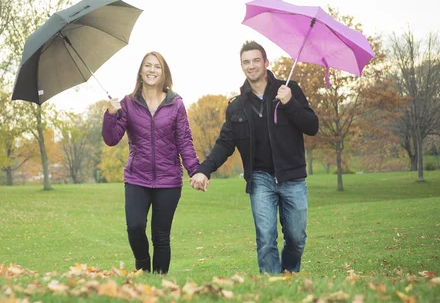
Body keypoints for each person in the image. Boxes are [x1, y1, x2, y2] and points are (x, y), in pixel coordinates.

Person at [190, 41, 319, 274]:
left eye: (256, 60)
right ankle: (272, 289)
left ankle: (289, 276)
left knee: (297, 238)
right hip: (260, 179)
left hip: (292, 177)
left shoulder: (290, 90)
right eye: (246, 62)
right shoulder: (236, 107)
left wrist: (290, 104)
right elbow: (225, 143)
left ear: (266, 62)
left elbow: (312, 126)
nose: (251, 66)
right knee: (266, 239)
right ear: (242, 66)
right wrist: (204, 169)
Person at [102, 51, 200, 274]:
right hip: (137, 177)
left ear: (163, 72)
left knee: (161, 236)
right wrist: (110, 114)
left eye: (157, 66)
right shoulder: (128, 103)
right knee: (135, 228)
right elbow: (111, 139)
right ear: (140, 71)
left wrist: (195, 170)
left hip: (169, 180)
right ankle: (143, 267)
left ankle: (160, 282)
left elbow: (184, 140)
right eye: (148, 65)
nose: (152, 70)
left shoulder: (175, 104)